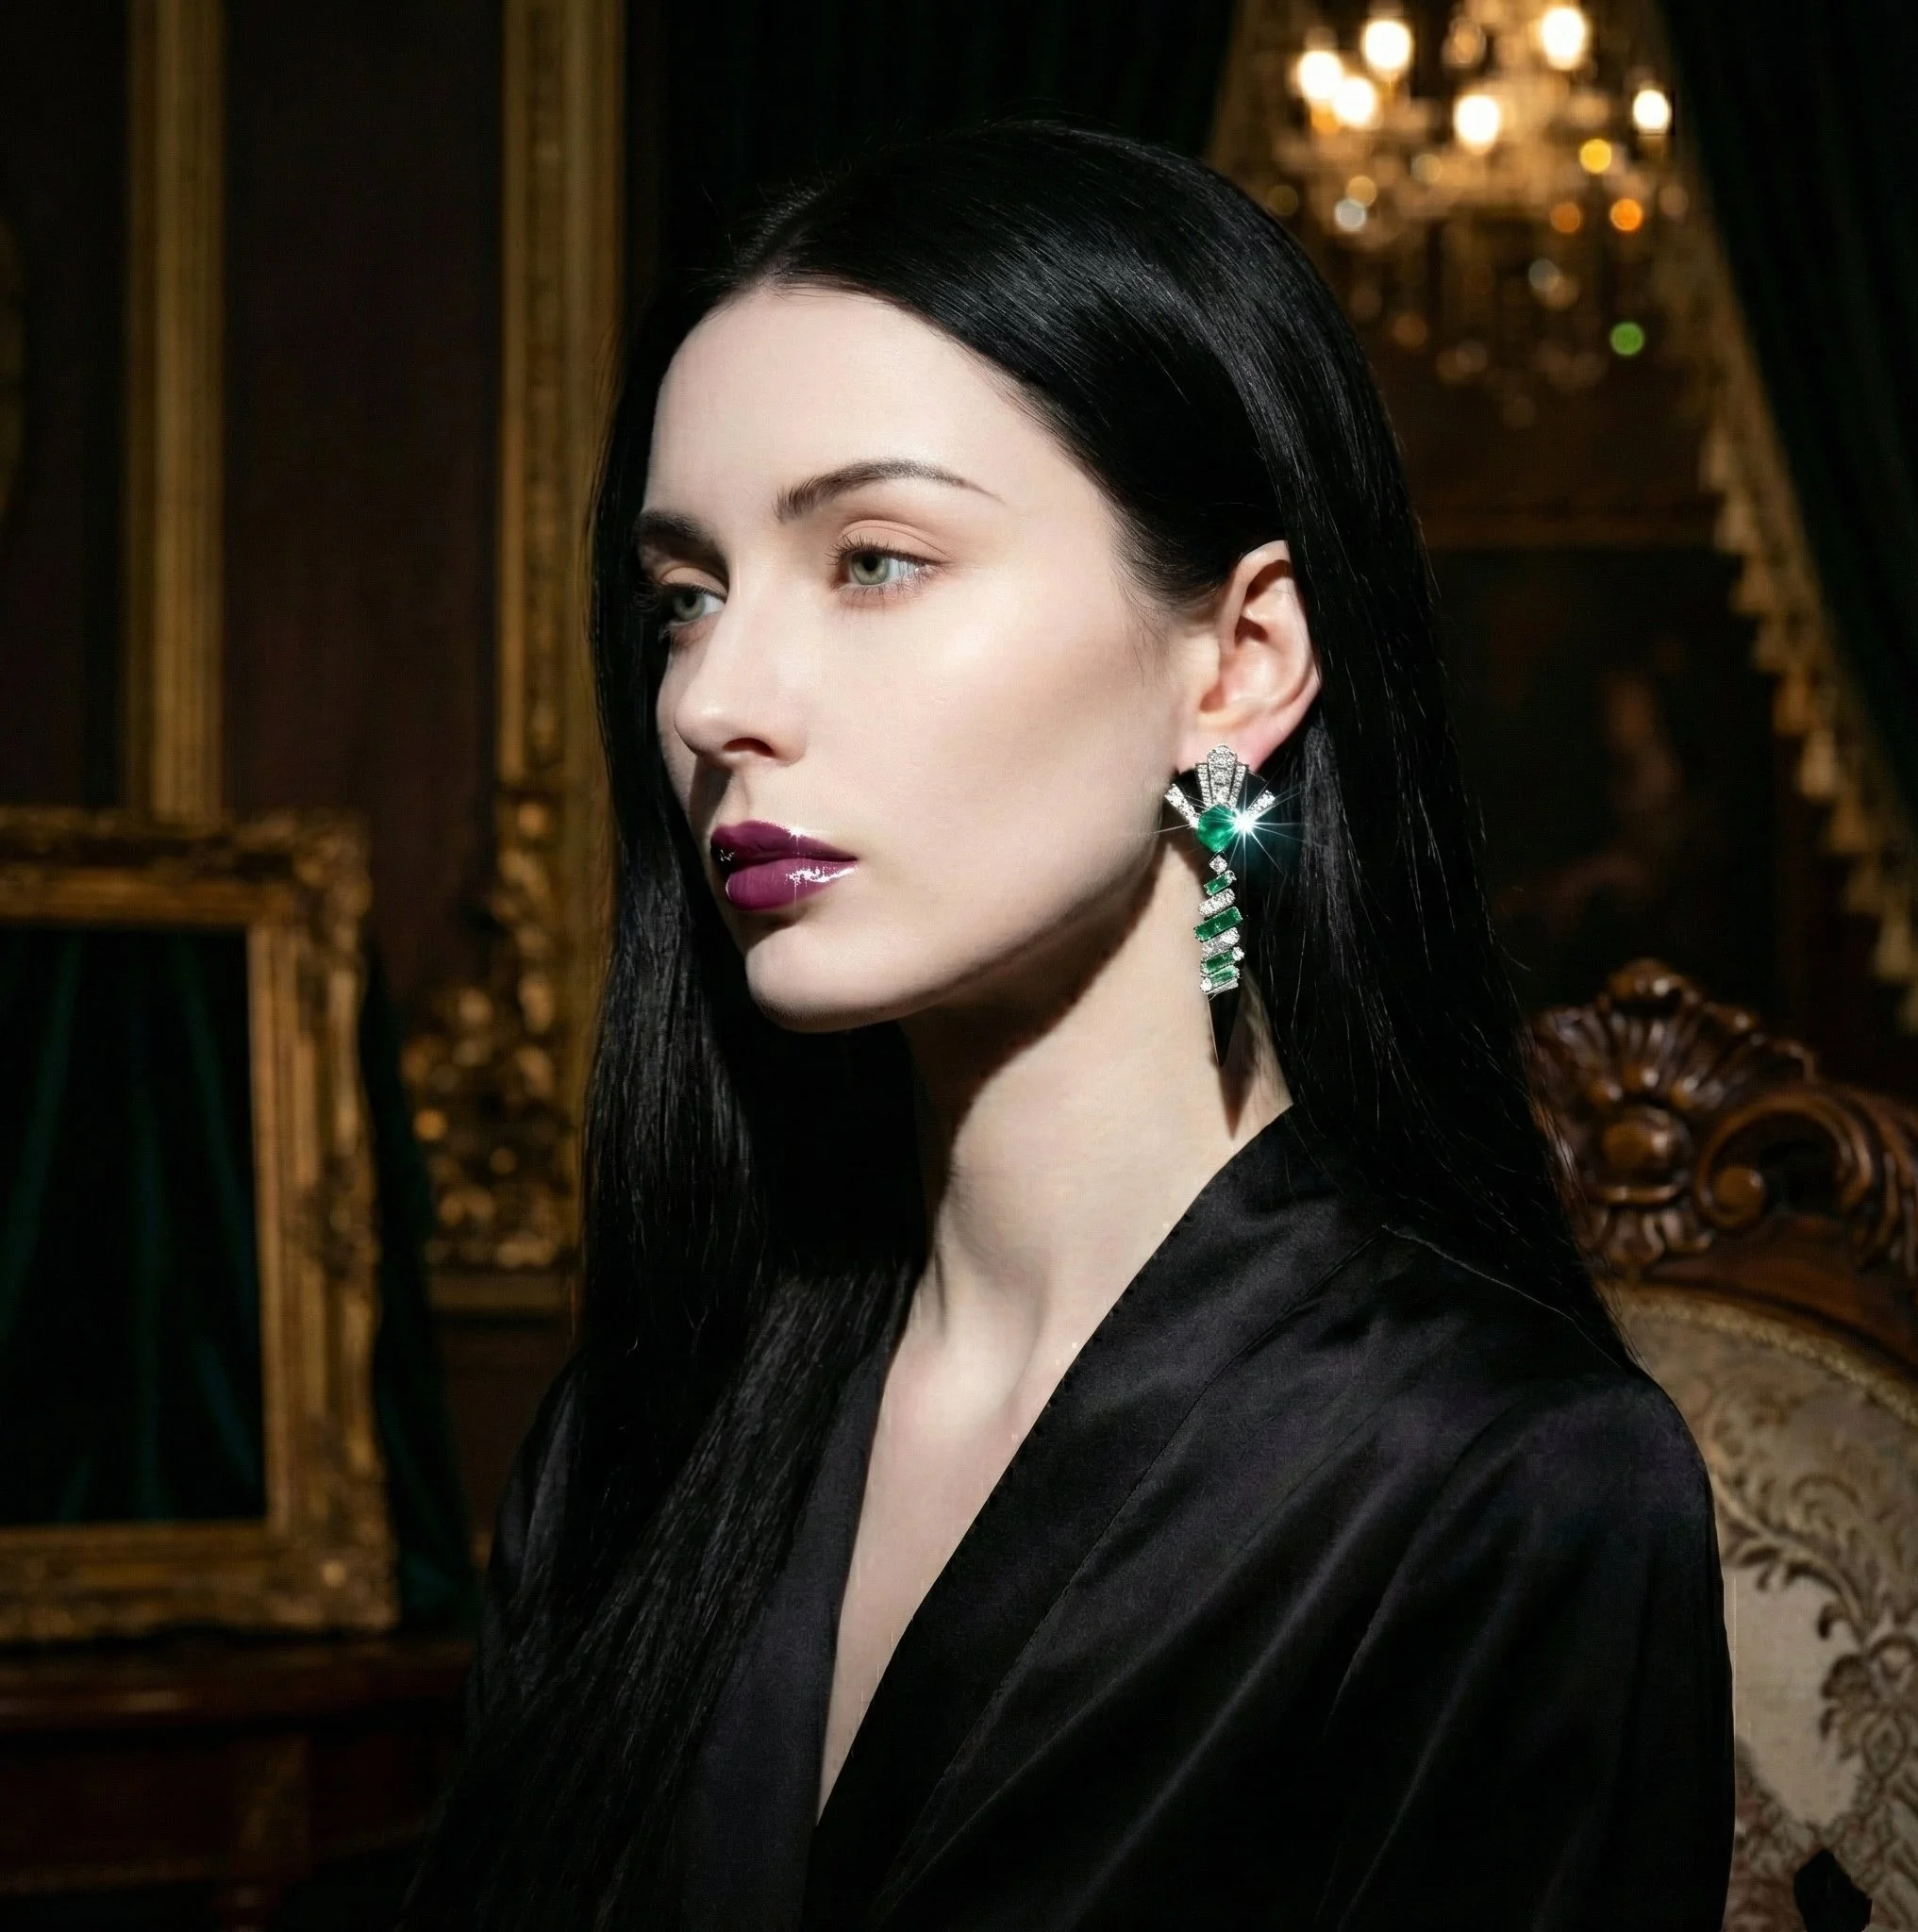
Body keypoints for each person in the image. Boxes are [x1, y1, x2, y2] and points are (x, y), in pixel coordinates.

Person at [401, 123, 1733, 1929]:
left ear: (1240, 659)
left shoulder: (1505, 1494)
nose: (716, 696)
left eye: (874, 560)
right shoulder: (640, 1445)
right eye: (683, 598)